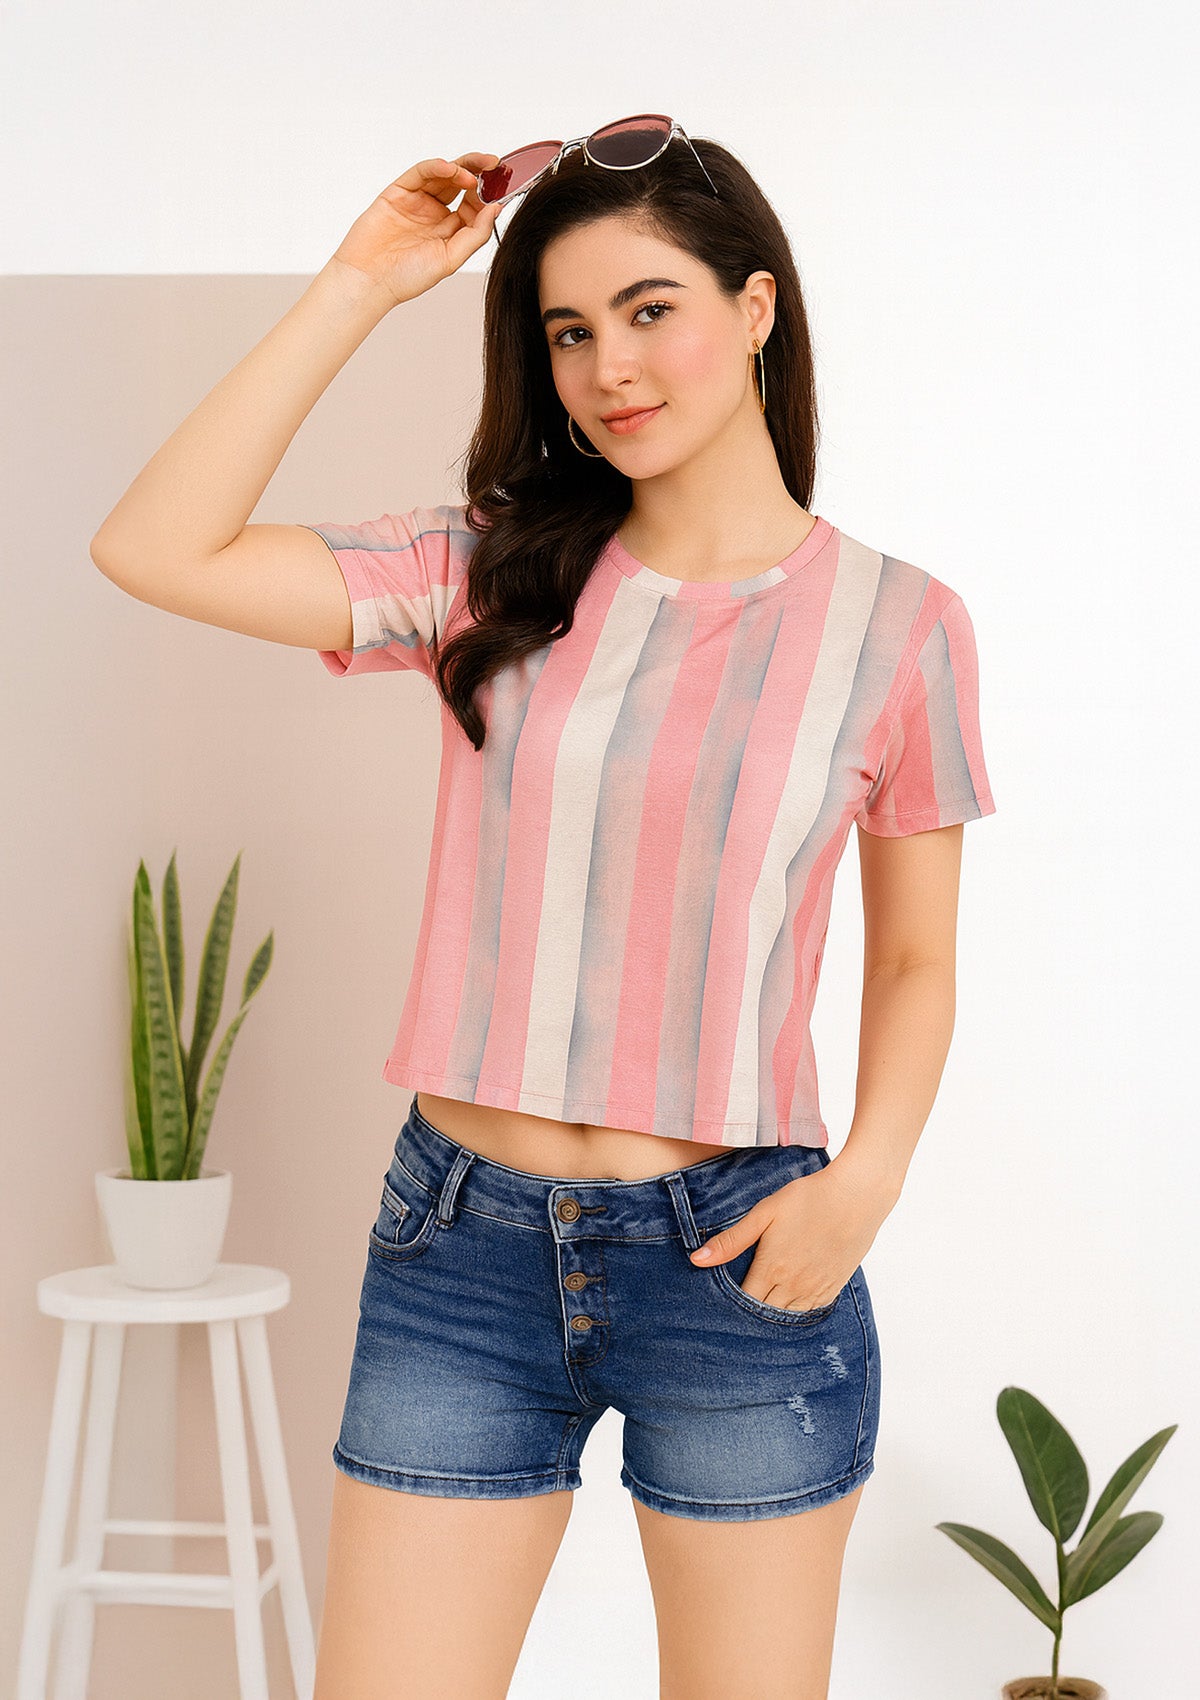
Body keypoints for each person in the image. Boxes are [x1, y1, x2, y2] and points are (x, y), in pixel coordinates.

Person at [91, 119, 996, 1700]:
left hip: (740, 1254)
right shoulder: (491, 573)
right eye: (569, 331)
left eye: (650, 310)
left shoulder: (898, 627)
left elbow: (917, 952)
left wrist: (867, 1181)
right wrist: (361, 282)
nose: (608, 367)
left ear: (757, 309)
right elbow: (152, 547)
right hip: (463, 1252)